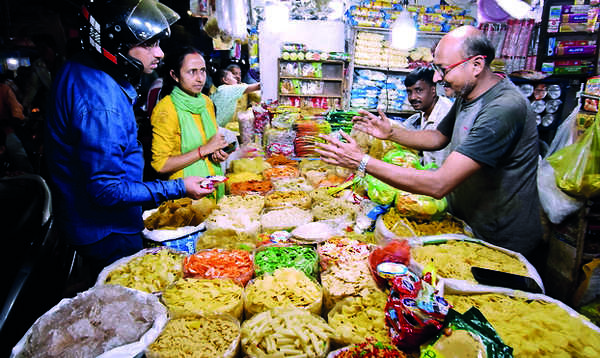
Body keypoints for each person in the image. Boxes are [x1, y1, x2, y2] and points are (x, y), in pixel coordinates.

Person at [316, 25, 542, 256]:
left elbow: (439, 184)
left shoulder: (502, 108)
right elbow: (438, 136)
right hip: (466, 222)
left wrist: (361, 162)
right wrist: (391, 133)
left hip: (500, 236)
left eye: (444, 69)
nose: (438, 77)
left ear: (476, 65)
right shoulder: (469, 95)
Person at [45, 0, 215, 275]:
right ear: (116, 43)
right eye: (148, 44)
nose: (159, 53)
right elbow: (106, 190)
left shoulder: (81, 70)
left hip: (90, 225)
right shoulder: (103, 103)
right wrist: (179, 187)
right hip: (107, 232)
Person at [150, 46, 229, 199]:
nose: (200, 78)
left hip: (212, 184)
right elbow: (160, 165)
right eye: (192, 72)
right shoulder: (166, 109)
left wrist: (217, 152)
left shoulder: (206, 102)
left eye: (203, 70)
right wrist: (204, 150)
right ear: (175, 75)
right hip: (185, 193)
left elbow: (210, 144)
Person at [402, 67, 453, 167]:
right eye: (409, 92)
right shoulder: (424, 112)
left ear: (433, 90)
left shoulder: (445, 114)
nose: (413, 97)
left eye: (419, 90)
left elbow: (440, 163)